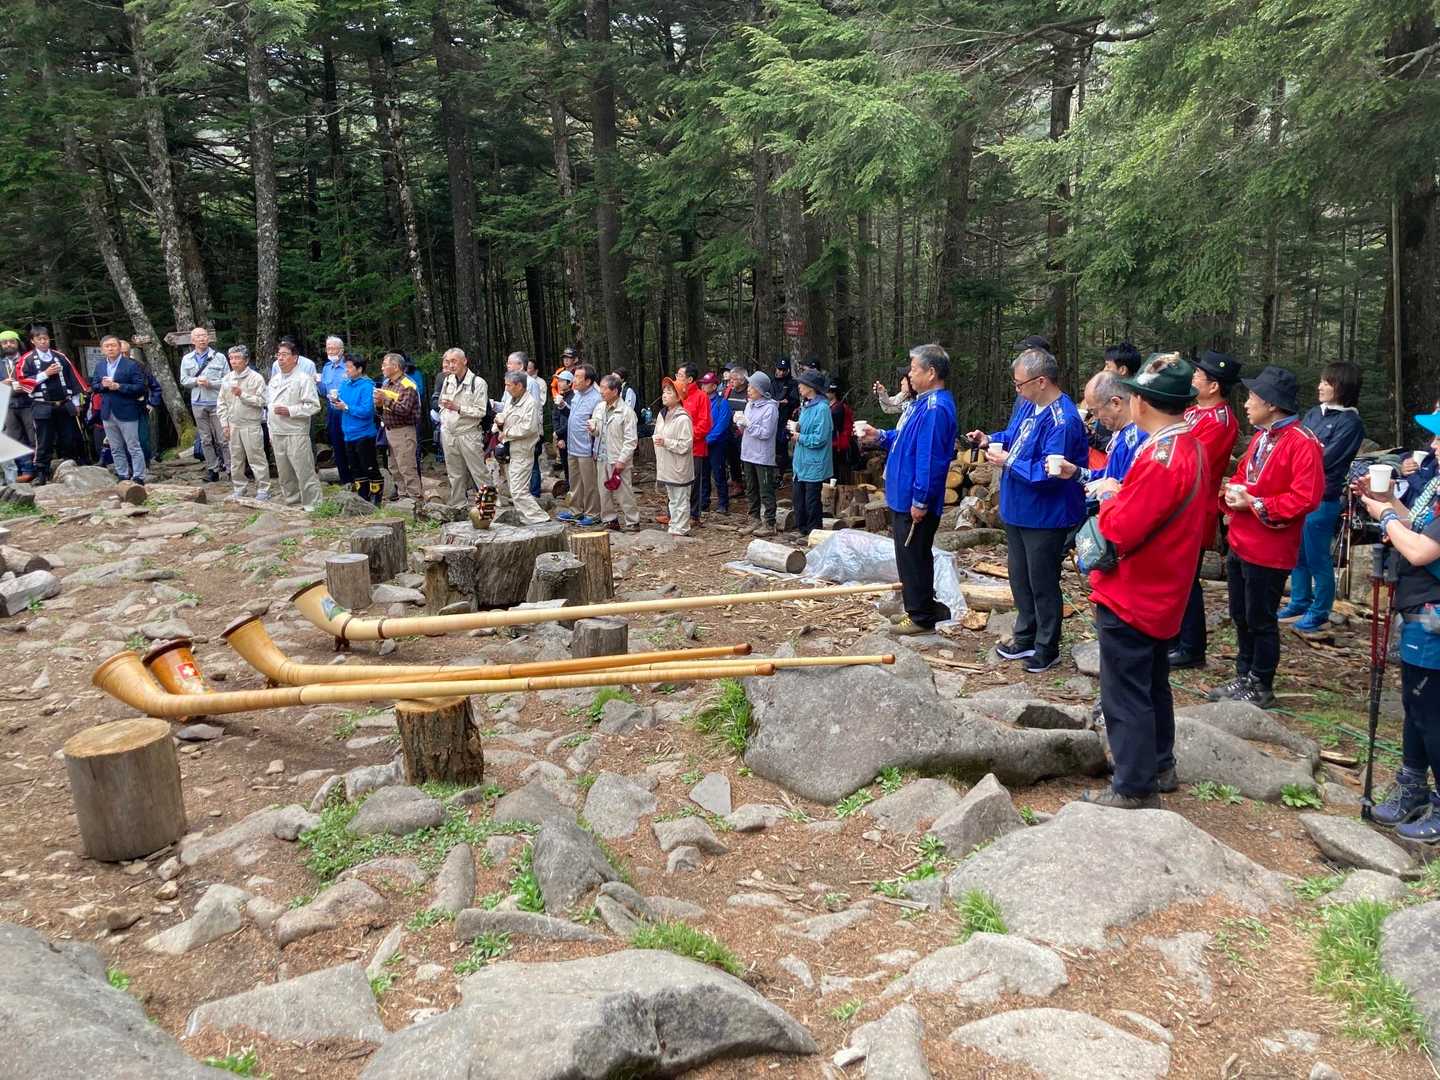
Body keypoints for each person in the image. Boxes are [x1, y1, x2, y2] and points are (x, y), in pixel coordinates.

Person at [1080, 354, 1210, 809]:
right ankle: (1159, 764)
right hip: (1164, 587)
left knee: (1125, 692)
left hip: (1136, 591)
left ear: (1143, 402)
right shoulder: (1189, 445)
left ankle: (1134, 786)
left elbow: (1120, 529)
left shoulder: (1160, 458)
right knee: (1153, 683)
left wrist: (1111, 497)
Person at [1207, 365, 1325, 708]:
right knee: (1241, 613)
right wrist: (1232, 492)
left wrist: (1255, 503)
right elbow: (1244, 476)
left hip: (1270, 548)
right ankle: (1244, 673)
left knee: (1261, 618)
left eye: (1253, 398)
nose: (1246, 404)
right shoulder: (1262, 437)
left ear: (1271, 404)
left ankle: (1261, 683)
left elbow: (1306, 498)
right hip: (1242, 542)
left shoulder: (1302, 443)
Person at [965, 347, 1087, 671]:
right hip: (1017, 508)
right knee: (1020, 578)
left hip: (1046, 514)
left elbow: (1050, 473)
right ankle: (1025, 635)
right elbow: (1014, 436)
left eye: (1020, 383)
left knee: (1042, 582)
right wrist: (989, 439)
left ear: (1041, 381)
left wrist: (1008, 461)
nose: (1017, 389)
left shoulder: (1063, 420)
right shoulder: (1028, 405)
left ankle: (1047, 647)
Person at [1359, 413, 1440, 840]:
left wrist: (1386, 517)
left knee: (1430, 710)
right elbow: (1418, 525)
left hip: (1433, 614)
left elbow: (1422, 549)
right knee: (1415, 703)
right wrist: (1388, 499)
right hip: (1418, 606)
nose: (1433, 445)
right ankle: (1412, 787)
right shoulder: (1436, 482)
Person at [859, 344, 958, 635]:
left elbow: (930, 459)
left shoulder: (936, 408)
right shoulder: (921, 404)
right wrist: (880, 435)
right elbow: (904, 438)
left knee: (914, 556)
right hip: (902, 493)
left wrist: (921, 499)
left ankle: (921, 617)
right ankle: (920, 606)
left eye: (914, 369)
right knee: (909, 555)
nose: (910, 375)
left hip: (914, 498)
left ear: (931, 372)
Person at [1281, 362, 1365, 633]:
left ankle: (1320, 611)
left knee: (1318, 557)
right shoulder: (1314, 413)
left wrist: (1298, 458)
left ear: (1343, 387)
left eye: (1327, 383)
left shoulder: (1350, 422)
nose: (1320, 387)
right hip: (1297, 493)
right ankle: (1299, 601)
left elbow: (1325, 459)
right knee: (1298, 553)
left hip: (1322, 497)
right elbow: (1294, 443)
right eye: (1321, 381)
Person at [18, 324, 88, 484]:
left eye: (45, 338)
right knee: (44, 440)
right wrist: (45, 374)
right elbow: (23, 383)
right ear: (33, 341)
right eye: (39, 339)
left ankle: (71, 468)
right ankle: (42, 472)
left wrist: (76, 402)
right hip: (42, 405)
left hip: (64, 404)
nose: (43, 341)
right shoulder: (27, 359)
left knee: (69, 438)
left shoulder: (60, 356)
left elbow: (73, 379)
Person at [1062, 370, 1143, 500]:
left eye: (1095, 411)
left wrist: (1105, 494)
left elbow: (1128, 494)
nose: (1095, 418)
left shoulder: (1137, 439)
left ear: (1116, 403)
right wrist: (1076, 472)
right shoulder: (1123, 433)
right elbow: (1110, 476)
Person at [265, 341, 323, 508]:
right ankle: (292, 502)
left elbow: (314, 406)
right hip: (277, 432)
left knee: (304, 471)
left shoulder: (303, 379)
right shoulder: (275, 379)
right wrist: (270, 431)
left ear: (295, 358)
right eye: (278, 355)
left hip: (296, 432)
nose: (280, 358)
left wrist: (290, 410)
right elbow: (269, 407)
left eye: (284, 355)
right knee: (284, 473)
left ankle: (313, 505)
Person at [494, 370, 549, 525]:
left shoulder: (530, 403)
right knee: (515, 490)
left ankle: (540, 519)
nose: (506, 388)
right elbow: (504, 417)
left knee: (519, 491)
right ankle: (527, 520)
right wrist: (498, 424)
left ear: (519, 386)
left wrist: (506, 433)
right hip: (510, 451)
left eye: (508, 385)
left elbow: (528, 428)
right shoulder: (511, 400)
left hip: (523, 451)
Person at [436, 348, 488, 508]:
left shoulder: (477, 383)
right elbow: (441, 403)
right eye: (448, 362)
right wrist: (444, 417)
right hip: (449, 433)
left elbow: (481, 411)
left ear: (464, 361)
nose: (451, 365)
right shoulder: (448, 380)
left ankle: (489, 506)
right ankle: (459, 506)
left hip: (468, 433)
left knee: (479, 472)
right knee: (454, 474)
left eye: (454, 361)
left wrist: (458, 408)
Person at [93, 335, 147, 485]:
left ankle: (139, 476)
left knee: (133, 446)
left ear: (119, 347)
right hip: (107, 411)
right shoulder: (100, 366)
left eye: (113, 345)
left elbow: (140, 387)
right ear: (102, 349)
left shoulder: (131, 365)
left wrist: (119, 386)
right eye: (107, 346)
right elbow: (94, 386)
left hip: (127, 410)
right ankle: (122, 474)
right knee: (115, 447)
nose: (110, 348)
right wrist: (103, 386)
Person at [218, 344, 269, 500]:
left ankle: (263, 489)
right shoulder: (227, 378)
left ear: (246, 360)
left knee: (256, 458)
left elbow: (263, 401)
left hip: (251, 424)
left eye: (237, 358)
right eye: (231, 358)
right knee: (236, 459)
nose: (233, 361)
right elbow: (221, 403)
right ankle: (239, 487)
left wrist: (242, 394)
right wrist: (224, 424)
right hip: (233, 425)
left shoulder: (256, 378)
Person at [330, 354, 382, 505]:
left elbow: (367, 411)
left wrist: (346, 407)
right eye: (346, 367)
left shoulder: (367, 386)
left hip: (364, 434)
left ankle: (376, 500)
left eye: (349, 367)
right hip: (348, 433)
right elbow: (341, 404)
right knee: (356, 469)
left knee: (369, 467)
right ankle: (362, 499)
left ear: (359, 369)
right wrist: (336, 402)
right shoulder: (344, 384)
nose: (346, 370)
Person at [179, 326, 229, 481]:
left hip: (217, 402)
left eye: (204, 336)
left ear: (208, 338)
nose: (202, 339)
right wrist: (196, 381)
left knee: (223, 438)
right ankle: (213, 469)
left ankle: (230, 469)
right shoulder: (187, 359)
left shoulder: (219, 357)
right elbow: (183, 380)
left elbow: (228, 380)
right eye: (198, 336)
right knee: (205, 439)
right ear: (192, 340)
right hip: (198, 402)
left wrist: (211, 383)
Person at [594, 373, 640, 531]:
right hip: (601, 455)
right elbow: (597, 429)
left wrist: (622, 460)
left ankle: (632, 521)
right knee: (603, 491)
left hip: (618, 458)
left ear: (614, 391)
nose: (601, 391)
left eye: (604, 388)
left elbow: (631, 440)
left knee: (624, 491)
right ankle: (610, 520)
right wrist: (593, 429)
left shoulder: (626, 412)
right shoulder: (599, 407)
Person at [790, 369, 833, 537]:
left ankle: (814, 533)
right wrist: (795, 427)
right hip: (801, 462)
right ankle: (802, 530)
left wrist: (800, 437)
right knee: (798, 498)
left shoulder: (822, 408)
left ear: (811, 387)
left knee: (812, 501)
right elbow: (806, 428)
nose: (799, 386)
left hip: (814, 462)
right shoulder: (806, 406)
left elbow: (820, 438)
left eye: (802, 384)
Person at [558, 363, 602, 526]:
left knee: (589, 483)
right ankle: (575, 510)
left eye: (578, 377)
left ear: (588, 381)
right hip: (573, 446)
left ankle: (593, 513)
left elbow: (598, 425)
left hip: (586, 448)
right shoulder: (577, 394)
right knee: (575, 481)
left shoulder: (596, 399)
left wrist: (594, 448)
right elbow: (573, 415)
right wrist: (563, 406)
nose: (574, 380)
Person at [376, 352, 423, 501]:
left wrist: (386, 399)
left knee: (407, 467)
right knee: (394, 467)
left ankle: (415, 499)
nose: (382, 367)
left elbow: (404, 410)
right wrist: (378, 404)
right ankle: (403, 496)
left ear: (395, 367)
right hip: (389, 431)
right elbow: (382, 410)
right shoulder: (386, 383)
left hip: (404, 431)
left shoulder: (408, 385)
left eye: (385, 364)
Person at [737, 372, 779, 537]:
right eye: (748, 386)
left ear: (761, 390)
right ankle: (754, 519)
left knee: (765, 490)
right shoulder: (749, 405)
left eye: (752, 386)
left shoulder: (770, 408)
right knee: (751, 488)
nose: (748, 389)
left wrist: (748, 424)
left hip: (762, 456)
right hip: (747, 453)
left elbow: (766, 433)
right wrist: (740, 423)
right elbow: (745, 430)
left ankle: (770, 523)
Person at [652, 378, 695, 536]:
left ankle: (681, 529)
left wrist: (666, 442)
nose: (664, 395)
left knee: (681, 499)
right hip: (666, 465)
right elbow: (657, 434)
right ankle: (674, 526)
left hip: (679, 467)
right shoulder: (662, 415)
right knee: (672, 498)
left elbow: (686, 445)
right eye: (664, 391)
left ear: (678, 397)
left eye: (669, 392)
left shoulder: (683, 418)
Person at [672, 364, 712, 527]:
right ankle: (674, 513)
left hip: (694, 447)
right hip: (674, 446)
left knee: (693, 482)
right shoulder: (676, 395)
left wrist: (686, 437)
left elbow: (705, 423)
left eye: (680, 376)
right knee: (674, 479)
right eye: (676, 375)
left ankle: (693, 515)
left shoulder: (701, 396)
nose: (676, 378)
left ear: (689, 379)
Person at [507, 351, 546, 497]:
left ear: (521, 365)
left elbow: (535, 409)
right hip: (513, 431)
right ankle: (521, 494)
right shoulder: (510, 382)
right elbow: (508, 406)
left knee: (532, 463)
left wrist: (537, 431)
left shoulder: (531, 383)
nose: (507, 365)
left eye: (510, 363)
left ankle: (534, 494)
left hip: (529, 431)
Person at [0, 330, 36, 481]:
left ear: (18, 343)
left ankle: (39, 469)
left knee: (34, 437)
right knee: (15, 439)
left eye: (12, 341)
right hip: (8, 405)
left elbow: (37, 377)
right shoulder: (0, 363)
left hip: (28, 403)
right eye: (4, 342)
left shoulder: (27, 359)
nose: (8, 344)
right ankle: (25, 471)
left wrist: (26, 385)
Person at [317, 336, 352, 486]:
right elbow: (324, 391)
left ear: (341, 350)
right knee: (337, 445)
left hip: (348, 411)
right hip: (332, 412)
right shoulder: (326, 368)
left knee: (350, 444)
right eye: (328, 348)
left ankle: (357, 478)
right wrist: (317, 383)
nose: (330, 351)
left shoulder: (349, 366)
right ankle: (345, 480)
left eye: (333, 348)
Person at [700, 372, 732, 515]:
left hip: (717, 444)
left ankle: (723, 503)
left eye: (706, 384)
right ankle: (704, 501)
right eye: (702, 384)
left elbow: (722, 425)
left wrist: (708, 439)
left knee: (719, 473)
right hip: (703, 443)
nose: (703, 386)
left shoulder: (722, 403)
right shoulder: (702, 401)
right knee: (703, 474)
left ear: (714, 386)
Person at [771, 357, 800, 478]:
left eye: (784, 370)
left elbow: (795, 401)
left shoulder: (792, 383)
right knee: (773, 447)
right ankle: (774, 473)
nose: (781, 372)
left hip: (785, 420)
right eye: (779, 369)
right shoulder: (771, 382)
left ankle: (781, 474)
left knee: (782, 447)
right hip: (771, 419)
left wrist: (787, 402)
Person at [828, 380, 855, 484]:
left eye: (828, 391)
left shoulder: (838, 408)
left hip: (837, 443)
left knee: (835, 470)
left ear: (833, 393)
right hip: (834, 442)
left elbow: (835, 426)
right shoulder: (832, 407)